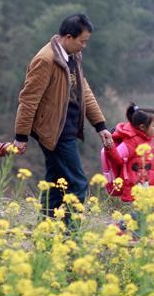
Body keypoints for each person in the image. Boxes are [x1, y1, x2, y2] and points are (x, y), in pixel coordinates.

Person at [13, 14, 113, 219]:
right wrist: (21, 136)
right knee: (78, 183)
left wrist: (100, 125)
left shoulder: (73, 55)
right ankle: (70, 235)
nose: (84, 46)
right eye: (82, 41)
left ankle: (46, 231)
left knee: (57, 181)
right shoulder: (46, 60)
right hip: (54, 132)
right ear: (68, 37)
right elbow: (29, 100)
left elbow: (83, 90)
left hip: (67, 128)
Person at [104, 103, 154, 203]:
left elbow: (152, 159)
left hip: (149, 181)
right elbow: (118, 158)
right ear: (142, 127)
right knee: (136, 213)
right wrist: (110, 148)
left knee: (147, 211)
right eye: (153, 125)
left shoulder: (149, 139)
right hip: (135, 185)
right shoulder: (131, 141)